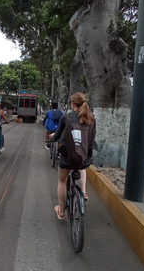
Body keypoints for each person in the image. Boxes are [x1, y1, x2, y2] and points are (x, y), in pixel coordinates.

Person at [50, 92, 95, 220]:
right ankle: (84, 191)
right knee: (81, 166)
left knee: (62, 181)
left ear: (73, 104)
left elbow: (58, 135)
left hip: (67, 158)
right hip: (84, 158)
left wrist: (53, 138)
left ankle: (61, 211)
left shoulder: (66, 117)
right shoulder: (92, 118)